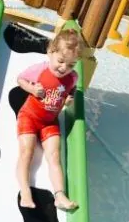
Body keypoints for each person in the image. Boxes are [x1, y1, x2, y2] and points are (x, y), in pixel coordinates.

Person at [15, 29, 86, 210]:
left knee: (54, 156)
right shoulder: (40, 69)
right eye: (61, 61)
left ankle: (59, 195)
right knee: (27, 152)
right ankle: (25, 192)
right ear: (50, 52)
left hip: (49, 122)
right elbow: (20, 79)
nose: (64, 68)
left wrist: (69, 100)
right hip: (29, 116)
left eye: (71, 65)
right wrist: (32, 89)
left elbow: (70, 91)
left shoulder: (73, 78)